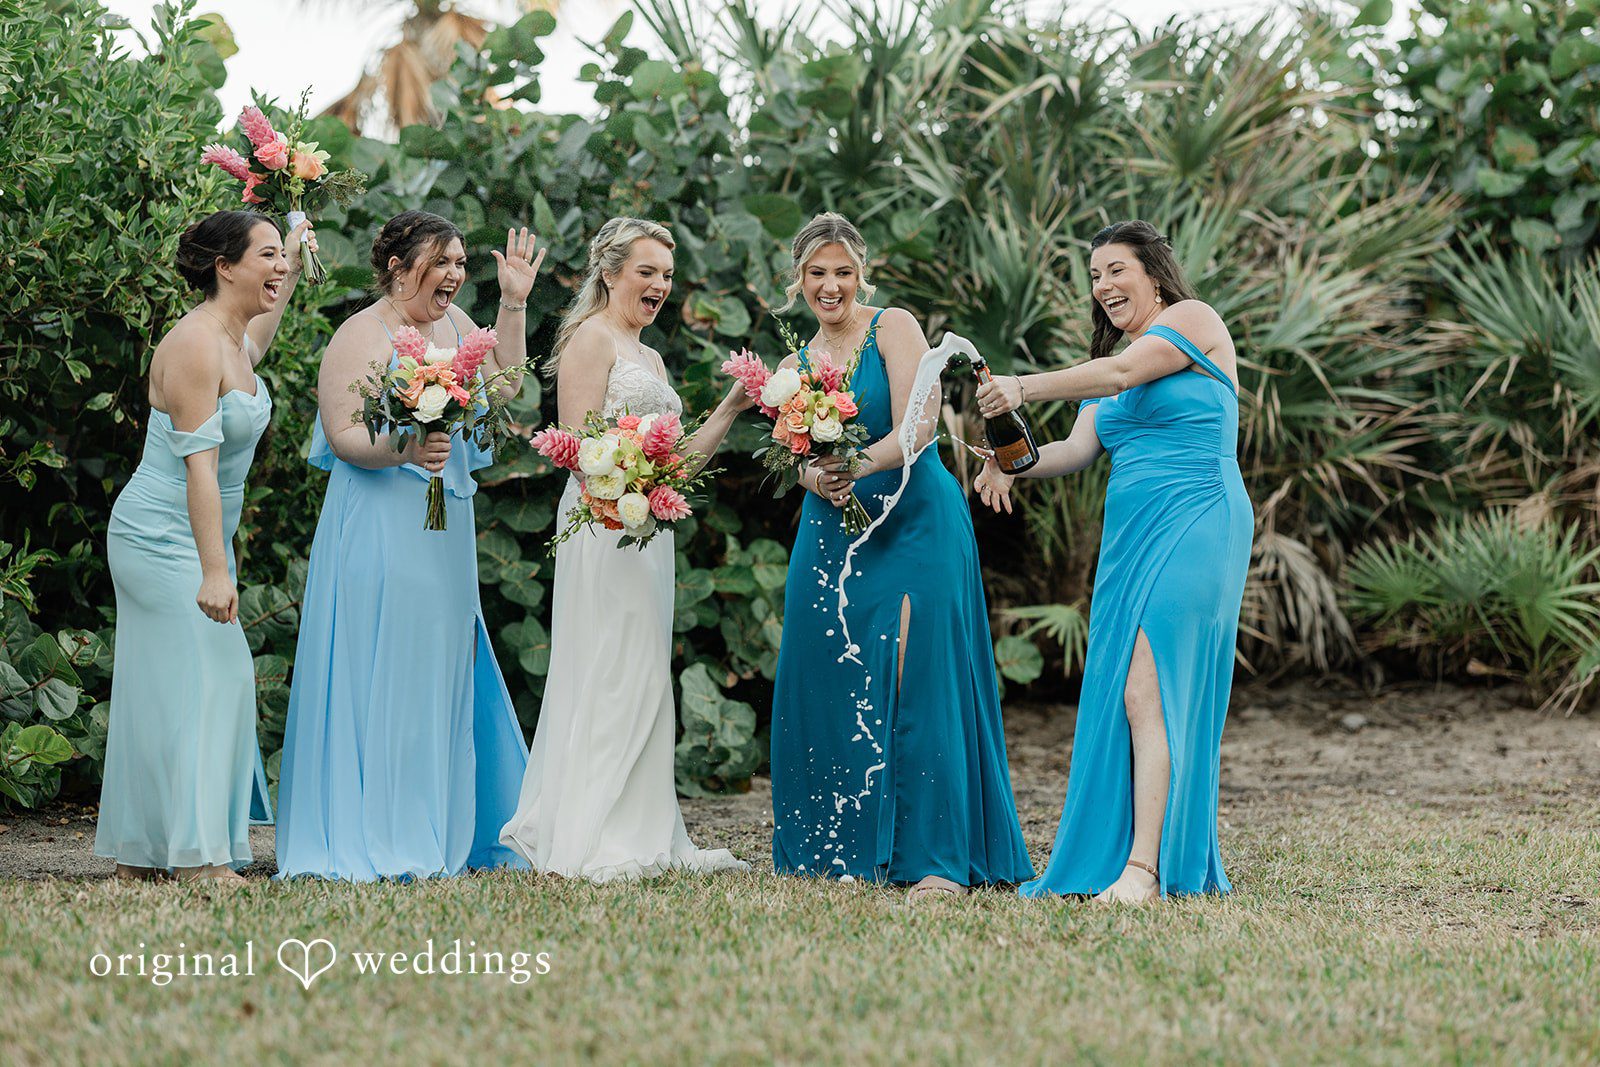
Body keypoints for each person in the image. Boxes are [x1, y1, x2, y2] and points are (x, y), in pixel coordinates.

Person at [975, 220, 1253, 902]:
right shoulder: (1109, 380)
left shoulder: (1192, 319)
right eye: (1095, 275)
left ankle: (1144, 869)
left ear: (1153, 274)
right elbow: (1070, 453)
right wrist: (1013, 462)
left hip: (1197, 518)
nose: (1103, 285)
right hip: (1132, 538)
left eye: (1115, 270)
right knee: (1132, 693)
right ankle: (1138, 858)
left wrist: (1024, 387)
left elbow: (1129, 367)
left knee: (1145, 689)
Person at [768, 212, 1033, 900]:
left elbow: (918, 423)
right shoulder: (790, 368)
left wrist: (855, 463)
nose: (832, 286)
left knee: (920, 675)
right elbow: (792, 456)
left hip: (915, 519)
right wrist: (817, 476)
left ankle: (936, 857)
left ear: (862, 274)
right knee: (822, 666)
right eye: (818, 273)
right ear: (797, 281)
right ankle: (841, 845)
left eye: (844, 272)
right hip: (834, 526)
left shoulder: (894, 326)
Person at [274, 212, 542, 881]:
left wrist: (513, 301)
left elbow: (504, 386)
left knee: (439, 663)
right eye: (441, 261)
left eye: (460, 262)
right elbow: (342, 434)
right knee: (383, 658)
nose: (455, 274)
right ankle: (380, 830)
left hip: (442, 525)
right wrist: (407, 446)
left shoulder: (453, 329)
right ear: (397, 266)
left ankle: (437, 821)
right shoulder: (359, 334)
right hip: (380, 519)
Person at [499, 217, 752, 883]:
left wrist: (729, 406)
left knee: (642, 673)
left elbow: (681, 462)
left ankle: (643, 825)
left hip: (647, 530)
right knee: (606, 666)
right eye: (647, 271)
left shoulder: (655, 359)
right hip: (602, 524)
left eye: (666, 275)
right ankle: (592, 832)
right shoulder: (591, 339)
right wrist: (630, 488)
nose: (660, 285)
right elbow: (579, 450)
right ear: (609, 272)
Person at [94, 210, 314, 885]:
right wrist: (215, 570)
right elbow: (198, 468)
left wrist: (296, 262)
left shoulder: (233, 338)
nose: (279, 267)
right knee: (215, 677)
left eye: (283, 256)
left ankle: (138, 855)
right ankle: (198, 858)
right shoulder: (194, 343)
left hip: (189, 536)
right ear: (225, 265)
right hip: (158, 534)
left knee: (165, 686)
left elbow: (258, 345)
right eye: (268, 255)